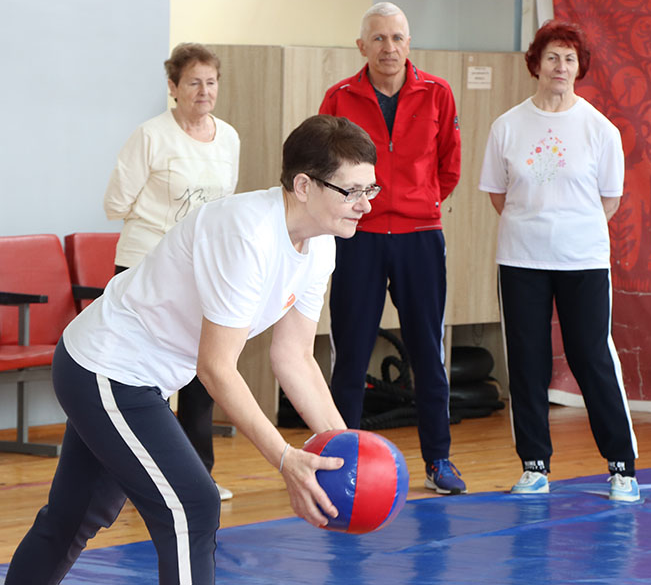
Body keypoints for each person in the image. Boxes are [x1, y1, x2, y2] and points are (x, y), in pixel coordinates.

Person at [6, 114, 379, 584]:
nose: (364, 205)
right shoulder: (247, 233)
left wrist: (345, 453)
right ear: (304, 185)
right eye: (352, 191)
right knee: (192, 507)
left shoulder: (321, 244)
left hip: (137, 376)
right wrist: (285, 459)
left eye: (371, 190)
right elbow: (216, 367)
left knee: (72, 518)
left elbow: (293, 357)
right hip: (107, 368)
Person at [478, 21, 640, 501]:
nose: (561, 67)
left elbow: (608, 200)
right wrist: (537, 227)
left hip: (583, 261)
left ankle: (621, 467)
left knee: (592, 357)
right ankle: (534, 465)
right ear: (536, 63)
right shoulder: (507, 126)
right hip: (521, 259)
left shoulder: (599, 129)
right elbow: (498, 194)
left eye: (569, 58)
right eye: (552, 57)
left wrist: (568, 229)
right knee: (527, 363)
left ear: (579, 67)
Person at [318, 1, 465, 495]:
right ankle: (342, 464)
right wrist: (361, 212)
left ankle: (438, 462)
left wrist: (416, 204)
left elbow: (449, 168)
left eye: (397, 38)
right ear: (361, 46)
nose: (389, 48)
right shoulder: (338, 98)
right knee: (352, 354)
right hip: (357, 239)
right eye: (378, 39)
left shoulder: (438, 94)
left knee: (428, 351)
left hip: (420, 237)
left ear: (409, 43)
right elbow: (323, 169)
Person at [103, 43, 241, 501]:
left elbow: (222, 209)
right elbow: (115, 204)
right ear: (173, 87)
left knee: (204, 371)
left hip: (200, 270)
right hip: (146, 266)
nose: (203, 91)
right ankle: (145, 477)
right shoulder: (151, 135)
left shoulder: (229, 138)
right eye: (193, 82)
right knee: (147, 373)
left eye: (211, 82)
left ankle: (198, 475)